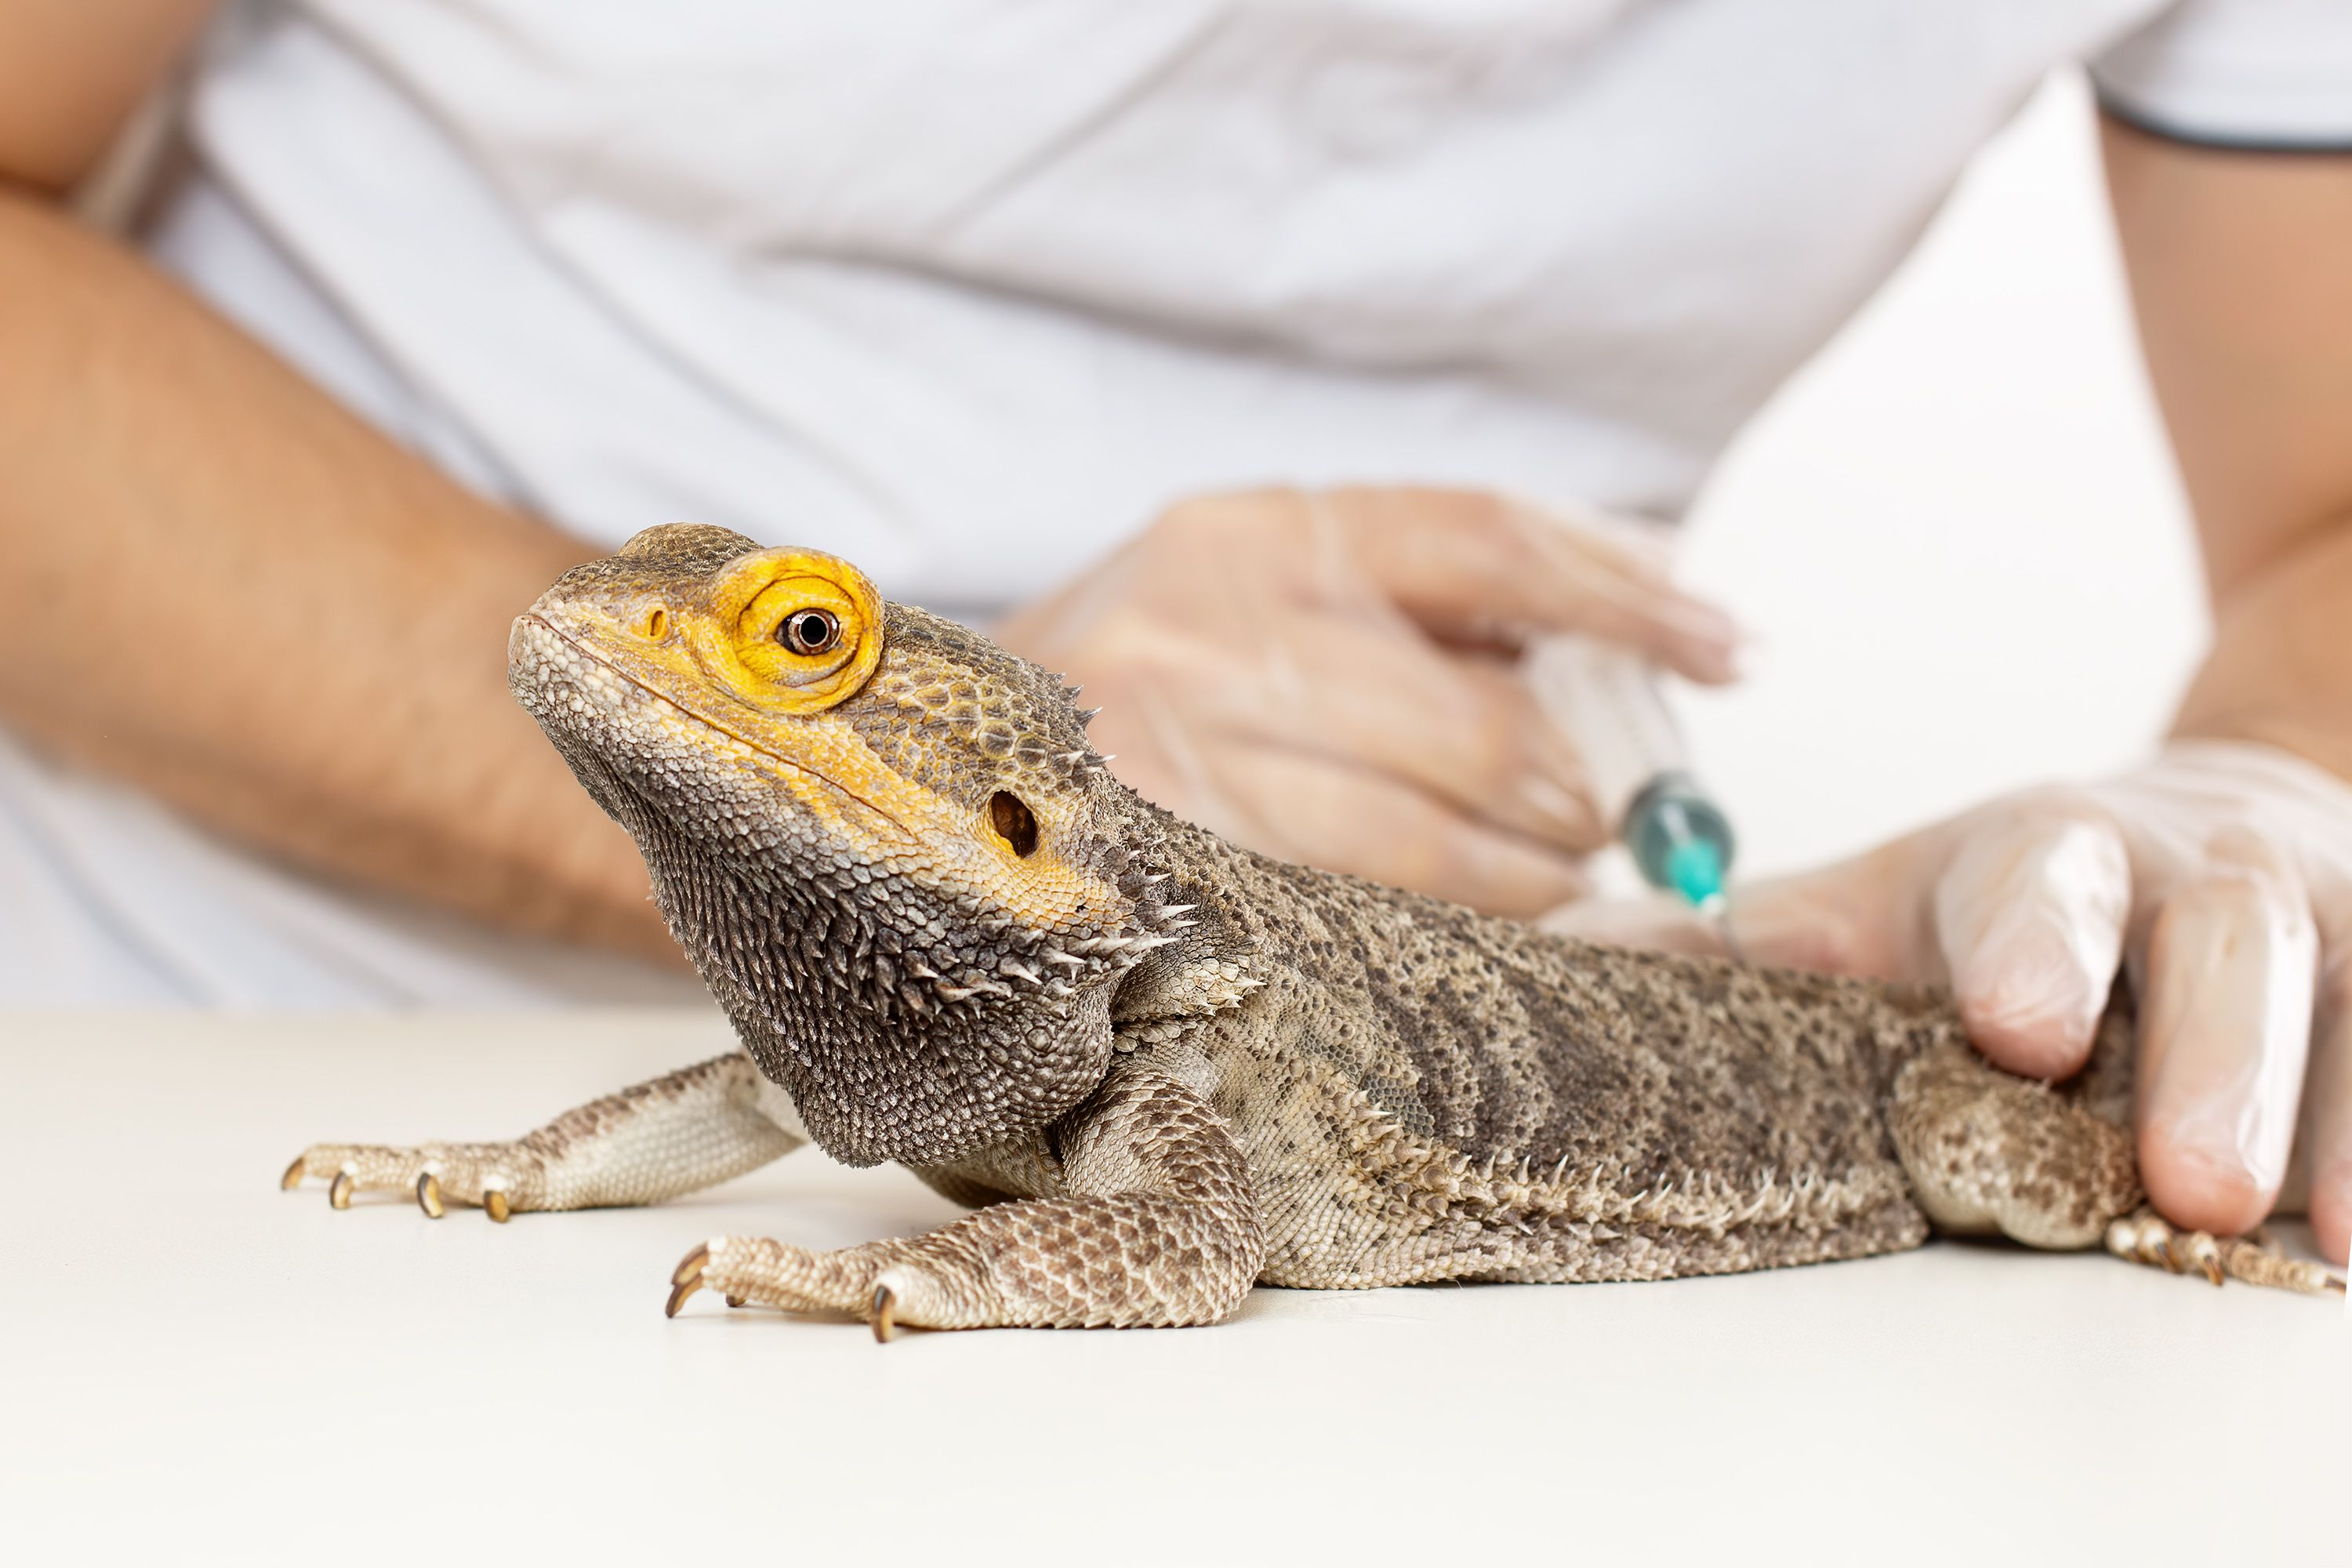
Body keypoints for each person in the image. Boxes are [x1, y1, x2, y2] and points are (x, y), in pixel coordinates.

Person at [0, 1, 2345, 1266]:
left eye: (794, 638)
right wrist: (855, 852)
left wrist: (2268, 790)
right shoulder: (880, 891)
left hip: (1393, 1076)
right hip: (169, 1071)